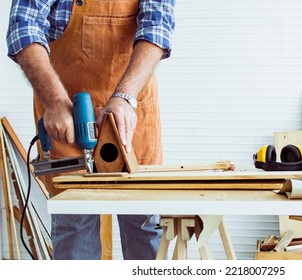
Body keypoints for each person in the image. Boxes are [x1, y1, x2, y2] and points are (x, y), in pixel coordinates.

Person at [6, 0, 175, 260]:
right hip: (67, 118)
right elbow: (23, 26)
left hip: (132, 119)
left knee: (145, 228)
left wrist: (124, 97)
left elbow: (157, 26)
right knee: (75, 229)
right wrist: (54, 101)